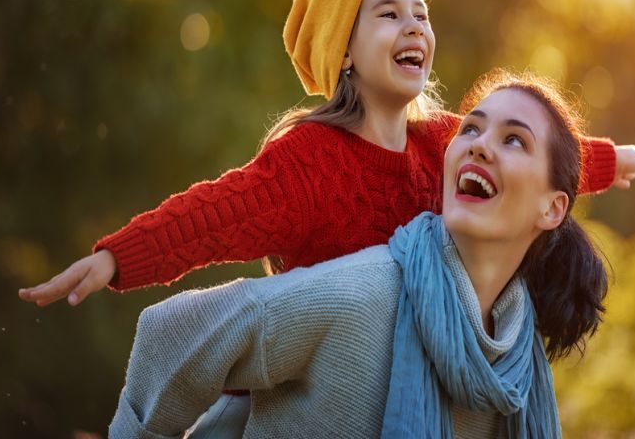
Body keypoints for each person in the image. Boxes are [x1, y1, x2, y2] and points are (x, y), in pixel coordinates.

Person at [18, 0, 635, 309]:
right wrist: (116, 257)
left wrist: (610, 158)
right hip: (310, 389)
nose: (415, 28)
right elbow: (212, 215)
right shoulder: (309, 162)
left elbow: (526, 155)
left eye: (421, 15)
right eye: (388, 14)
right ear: (343, 50)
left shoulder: (445, 141)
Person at [109, 70, 608, 439]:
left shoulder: (515, 367)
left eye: (513, 139)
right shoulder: (362, 295)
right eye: (471, 129)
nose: (478, 146)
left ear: (553, 208)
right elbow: (167, 334)